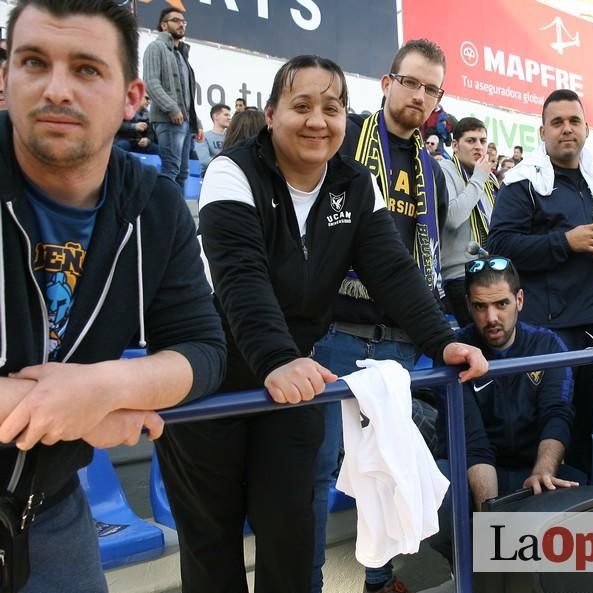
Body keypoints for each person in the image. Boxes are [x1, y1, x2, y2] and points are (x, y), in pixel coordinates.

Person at [155, 55, 487, 593]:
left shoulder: (355, 185)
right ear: (270, 114)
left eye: (331, 108)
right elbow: (241, 278)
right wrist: (278, 359)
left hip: (294, 381)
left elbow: (393, 272)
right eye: (301, 106)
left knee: (291, 531)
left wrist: (442, 341)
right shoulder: (230, 170)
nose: (317, 121)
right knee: (211, 541)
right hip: (213, 377)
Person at [0, 1, 226, 591]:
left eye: (85, 69)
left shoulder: (153, 202)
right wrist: (66, 414)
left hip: (47, 508)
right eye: (33, 62)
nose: (57, 89)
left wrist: (104, 388)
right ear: (5, 78)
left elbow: (203, 349)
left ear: (132, 98)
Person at [313, 39, 453, 593]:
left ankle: (378, 581)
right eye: (411, 82)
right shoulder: (342, 140)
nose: (419, 95)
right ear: (386, 82)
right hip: (334, 335)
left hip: (397, 342)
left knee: (388, 477)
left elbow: (420, 260)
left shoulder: (432, 171)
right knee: (314, 473)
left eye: (431, 88)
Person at [487, 88, 593, 475]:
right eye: (557, 122)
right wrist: (565, 242)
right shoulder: (522, 183)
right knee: (548, 430)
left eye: (574, 121)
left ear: (586, 128)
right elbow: (500, 246)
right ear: (542, 132)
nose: (567, 129)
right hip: (548, 331)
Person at [429, 255, 580, 565]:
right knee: (438, 494)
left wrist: (544, 472)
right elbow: (472, 442)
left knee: (584, 487)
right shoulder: (455, 352)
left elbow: (557, 414)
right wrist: (493, 520)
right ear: (469, 306)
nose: (491, 317)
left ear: (519, 300)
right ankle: (474, 576)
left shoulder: (548, 346)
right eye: (480, 307)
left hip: (532, 466)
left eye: (501, 304)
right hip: (478, 471)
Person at [440, 117, 498, 327]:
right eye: (471, 140)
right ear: (455, 145)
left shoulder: (488, 178)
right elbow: (453, 217)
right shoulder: (444, 169)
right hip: (459, 274)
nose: (478, 147)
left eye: (482, 141)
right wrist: (479, 179)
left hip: (491, 268)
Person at [143, 7, 203, 189]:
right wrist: (172, 108)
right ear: (163, 25)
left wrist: (197, 121)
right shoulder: (156, 47)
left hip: (184, 123)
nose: (181, 24)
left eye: (183, 21)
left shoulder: (181, 54)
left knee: (183, 173)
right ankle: (164, 214)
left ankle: (176, 215)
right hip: (168, 120)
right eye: (176, 20)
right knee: (171, 169)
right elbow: (151, 82)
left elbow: (187, 96)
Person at [195, 103, 230, 172]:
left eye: (229, 115)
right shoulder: (204, 136)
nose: (229, 118)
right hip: (210, 174)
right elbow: (205, 160)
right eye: (226, 115)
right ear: (216, 116)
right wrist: (228, 166)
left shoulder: (231, 137)